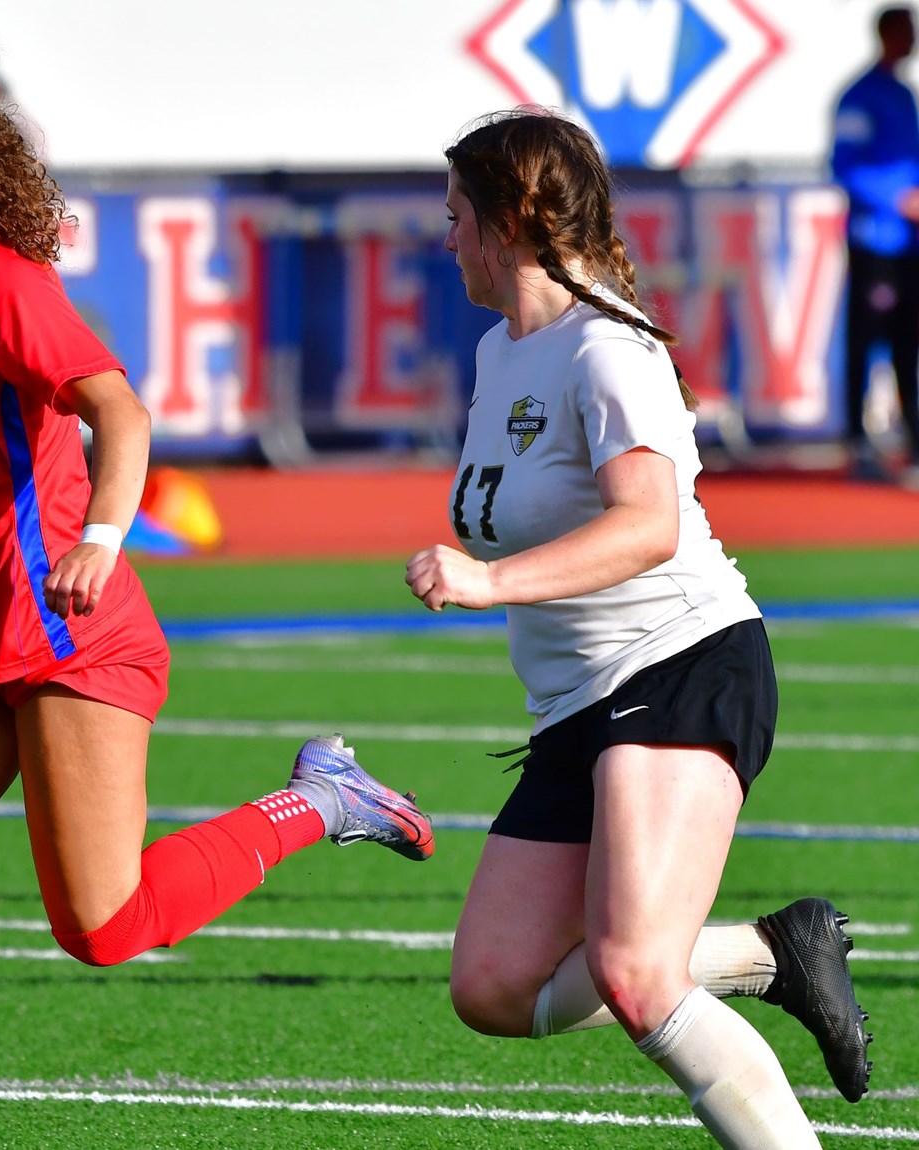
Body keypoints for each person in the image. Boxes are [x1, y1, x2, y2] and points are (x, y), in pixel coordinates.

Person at [0, 26, 434, 1150]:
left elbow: (120, 410)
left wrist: (102, 531)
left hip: (68, 635)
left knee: (103, 926)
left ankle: (322, 801)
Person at [407, 108, 873, 1148]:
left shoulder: (606, 344)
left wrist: (488, 582)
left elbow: (649, 526)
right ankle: (772, 950)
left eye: (458, 217)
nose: (447, 240)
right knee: (491, 985)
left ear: (513, 219)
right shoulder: (498, 351)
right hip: (580, 703)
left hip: (681, 661)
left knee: (632, 972)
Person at [831, 5, 919, 483]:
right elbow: (845, 166)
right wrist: (899, 201)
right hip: (874, 243)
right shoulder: (861, 96)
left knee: (908, 345)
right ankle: (856, 443)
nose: (914, 39)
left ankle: (911, 441)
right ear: (887, 35)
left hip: (908, 246)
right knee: (865, 341)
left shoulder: (904, 94)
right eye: (907, 31)